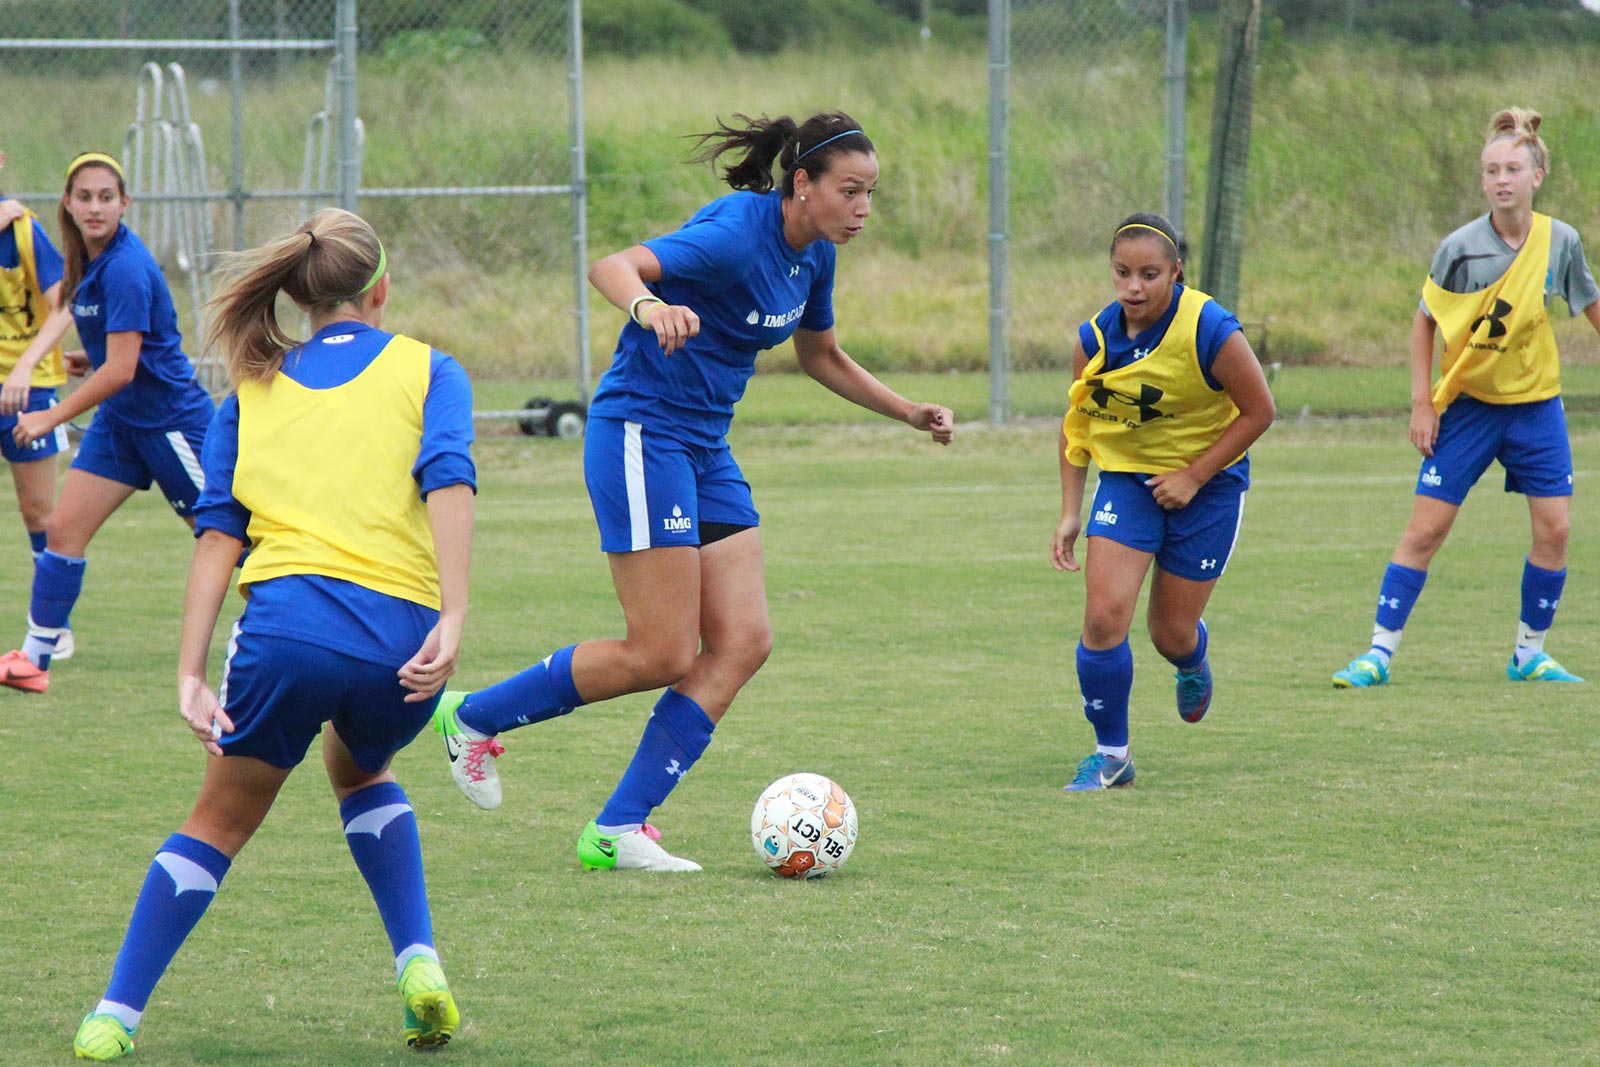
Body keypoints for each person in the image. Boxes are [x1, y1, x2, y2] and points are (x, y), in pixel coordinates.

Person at [430, 111, 954, 872]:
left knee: (743, 641)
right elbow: (613, 265)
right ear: (800, 184)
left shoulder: (815, 258)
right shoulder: (740, 233)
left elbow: (823, 355)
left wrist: (908, 410)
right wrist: (649, 305)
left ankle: (619, 827)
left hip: (704, 445)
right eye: (850, 190)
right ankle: (473, 717)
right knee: (662, 650)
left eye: (871, 192)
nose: (863, 208)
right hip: (642, 434)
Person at [70, 208, 476, 1061]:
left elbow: (218, 535)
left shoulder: (248, 391)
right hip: (401, 642)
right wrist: (454, 615)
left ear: (295, 294)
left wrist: (188, 667)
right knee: (361, 764)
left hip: (286, 633)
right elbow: (449, 482)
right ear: (381, 288)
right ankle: (420, 962)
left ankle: (114, 1016)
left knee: (218, 821)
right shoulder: (432, 370)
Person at [1332, 108, 1599, 689]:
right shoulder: (1459, 249)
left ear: (1537, 175)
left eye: (1513, 169)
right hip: (1469, 407)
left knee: (1555, 530)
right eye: (1491, 170)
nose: (1502, 179)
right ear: (1482, 182)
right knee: (1424, 532)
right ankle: (1377, 654)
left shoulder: (1562, 242)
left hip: (1537, 407)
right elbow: (1424, 322)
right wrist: (1422, 403)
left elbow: (1591, 306)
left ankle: (1530, 654)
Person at [1050, 212, 1274, 791]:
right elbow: (1077, 428)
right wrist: (1071, 511)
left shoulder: (1210, 328)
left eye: (1149, 274)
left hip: (1210, 487)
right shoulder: (1095, 340)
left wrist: (1195, 475)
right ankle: (1112, 758)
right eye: (1122, 273)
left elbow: (1260, 412)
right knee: (1103, 617)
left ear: (1176, 272)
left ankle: (1191, 659)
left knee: (1169, 633)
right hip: (1129, 481)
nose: (1133, 287)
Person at [0, 151, 216, 693]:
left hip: (171, 426)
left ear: (125, 203)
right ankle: (34, 658)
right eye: (84, 197)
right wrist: (86, 360)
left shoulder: (124, 265)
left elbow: (123, 369)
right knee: (64, 531)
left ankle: (294, 630)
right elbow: (118, 358)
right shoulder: (85, 259)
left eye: (105, 197)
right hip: (121, 425)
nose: (94, 207)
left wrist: (51, 411)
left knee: (227, 538)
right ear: (67, 206)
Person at [0, 147, 77, 585]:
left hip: (26, 390)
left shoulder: (22, 230)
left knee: (39, 512)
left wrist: (27, 363)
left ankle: (47, 625)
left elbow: (64, 304)